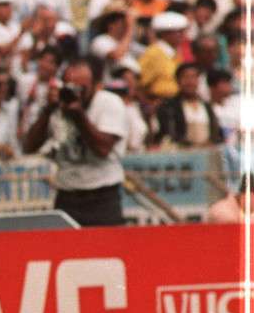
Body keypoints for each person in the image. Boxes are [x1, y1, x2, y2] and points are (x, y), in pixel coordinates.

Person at [23, 57, 128, 226]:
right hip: (67, 194)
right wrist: (48, 110)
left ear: (96, 86)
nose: (75, 93)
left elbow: (102, 149)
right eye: (70, 87)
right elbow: (29, 146)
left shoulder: (109, 103)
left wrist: (79, 116)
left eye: (81, 88)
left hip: (102, 195)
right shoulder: (57, 105)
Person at [153, 63, 221, 148]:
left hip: (206, 151)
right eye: (185, 77)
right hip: (182, 152)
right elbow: (170, 133)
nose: (190, 82)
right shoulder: (169, 106)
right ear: (178, 80)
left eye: (193, 77)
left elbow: (215, 132)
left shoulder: (206, 106)